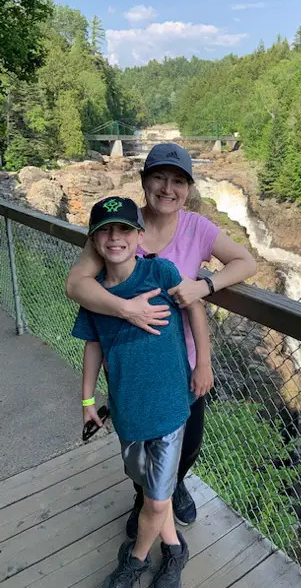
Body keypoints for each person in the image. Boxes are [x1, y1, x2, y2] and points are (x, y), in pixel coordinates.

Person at [66, 143, 256, 535]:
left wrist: (205, 286)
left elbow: (247, 262)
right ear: (144, 181)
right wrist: (126, 310)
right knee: (137, 442)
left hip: (182, 360)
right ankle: (148, 499)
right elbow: (76, 284)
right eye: (159, 177)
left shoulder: (197, 228)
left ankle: (170, 488)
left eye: (178, 181)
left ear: (188, 187)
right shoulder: (118, 229)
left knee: (187, 443)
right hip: (132, 364)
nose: (168, 189)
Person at [72, 196, 205, 588]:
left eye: (124, 229)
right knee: (147, 485)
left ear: (139, 236)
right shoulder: (94, 296)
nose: (115, 238)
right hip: (127, 409)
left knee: (158, 500)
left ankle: (134, 561)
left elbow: (194, 306)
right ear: (94, 241)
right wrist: (86, 400)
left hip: (168, 407)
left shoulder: (160, 272)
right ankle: (175, 547)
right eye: (105, 231)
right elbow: (93, 346)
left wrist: (203, 365)